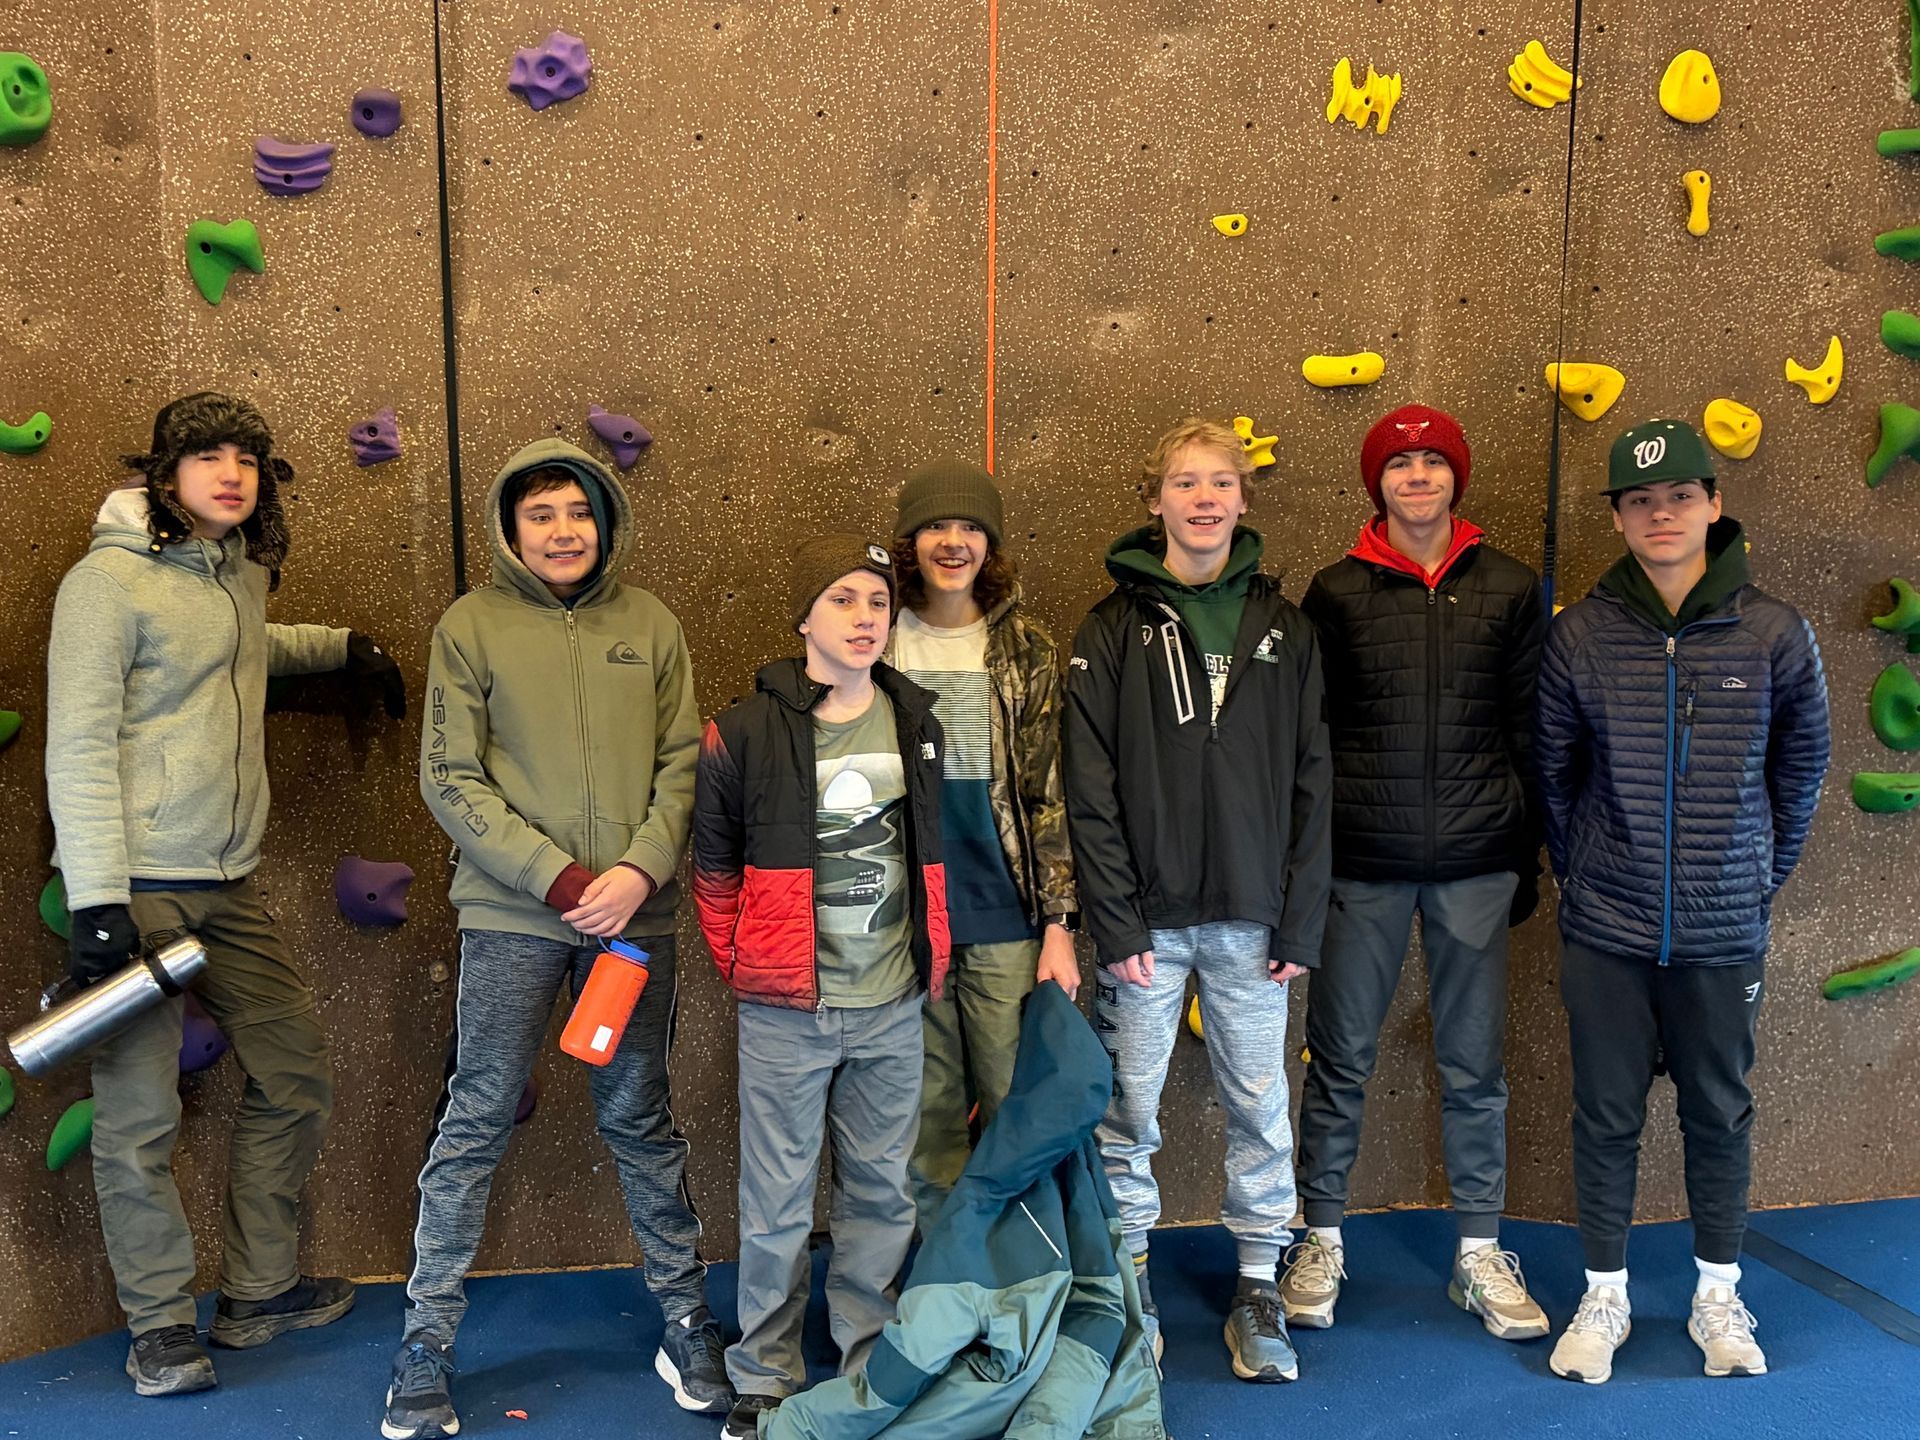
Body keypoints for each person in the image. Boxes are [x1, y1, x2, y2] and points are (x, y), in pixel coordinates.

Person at [45, 392, 403, 1396]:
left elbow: (238, 652)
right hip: (136, 885)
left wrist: (338, 645)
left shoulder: (235, 573)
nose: (231, 472)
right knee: (138, 1115)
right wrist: (98, 903)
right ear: (165, 473)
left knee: (294, 1073)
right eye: (208, 455)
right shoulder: (105, 584)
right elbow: (78, 744)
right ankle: (161, 1328)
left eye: (247, 456)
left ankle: (257, 1292)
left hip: (227, 883)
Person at [382, 441, 730, 1440]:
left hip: (634, 923)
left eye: (579, 511)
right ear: (511, 528)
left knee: (640, 1118)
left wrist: (638, 872)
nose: (563, 531)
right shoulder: (470, 626)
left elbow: (682, 765)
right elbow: (448, 775)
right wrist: (562, 880)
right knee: (476, 1116)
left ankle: (687, 1320)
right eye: (540, 514)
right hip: (513, 919)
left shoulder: (651, 625)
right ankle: (425, 1345)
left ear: (605, 521)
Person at [1536, 419, 1830, 1385]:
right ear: (1620, 517)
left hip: (1723, 928)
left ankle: (1717, 1295)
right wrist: (1587, 876)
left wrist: (1753, 876)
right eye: (1639, 501)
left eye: (1678, 497)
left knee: (1719, 1112)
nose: (1660, 515)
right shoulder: (1580, 634)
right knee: (1604, 1115)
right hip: (1607, 928)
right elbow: (1554, 773)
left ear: (1713, 504)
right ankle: (1604, 1294)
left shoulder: (1774, 631)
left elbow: (1802, 768)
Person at [1063, 417, 1332, 1382]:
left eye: (1221, 481)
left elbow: (1313, 778)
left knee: (1260, 1103)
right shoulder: (1110, 628)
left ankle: (1258, 1282)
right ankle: (1128, 1279)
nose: (1205, 497)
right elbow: (1088, 784)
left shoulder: (1287, 627)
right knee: (1127, 1107)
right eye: (1185, 482)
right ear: (1155, 501)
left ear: (1244, 499)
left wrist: (1301, 915)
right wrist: (1113, 916)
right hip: (1146, 920)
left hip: (1255, 919)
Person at [1284, 405, 1549, 1341]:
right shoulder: (1335, 591)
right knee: (1340, 1060)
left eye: (1435, 460)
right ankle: (1320, 1238)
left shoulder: (1510, 586)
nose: (1419, 476)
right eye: (1401, 464)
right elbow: (1311, 738)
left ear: (1456, 478)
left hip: (1476, 863)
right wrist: (1308, 864)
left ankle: (1479, 1251)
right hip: (1364, 864)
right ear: (1379, 484)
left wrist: (1526, 852)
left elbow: (1531, 729)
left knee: (1475, 1066)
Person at [692, 535, 950, 1440]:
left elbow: (934, 854)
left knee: (882, 1193)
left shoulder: (915, 720)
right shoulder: (743, 731)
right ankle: (764, 1372)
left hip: (892, 1004)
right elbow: (714, 867)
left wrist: (928, 959)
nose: (864, 618)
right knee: (776, 1201)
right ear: (805, 619)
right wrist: (745, 963)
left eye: (878, 602)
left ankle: (867, 1360)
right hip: (786, 1010)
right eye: (842, 599)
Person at [886, 459, 1079, 1230]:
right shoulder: (876, 637)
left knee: (1012, 1102)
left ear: (990, 545)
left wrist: (1059, 924)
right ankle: (946, 1264)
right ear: (910, 541)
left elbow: (1048, 793)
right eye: (936, 525)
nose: (953, 541)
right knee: (926, 1114)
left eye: (970, 527)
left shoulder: (1027, 649)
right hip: (909, 918)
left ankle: (1026, 1263)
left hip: (1004, 914)